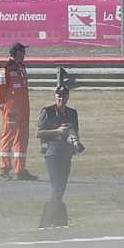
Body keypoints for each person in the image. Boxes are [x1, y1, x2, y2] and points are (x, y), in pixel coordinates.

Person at [35, 78, 83, 228]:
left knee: (61, 187)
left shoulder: (72, 113)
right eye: (59, 96)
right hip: (53, 153)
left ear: (68, 97)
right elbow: (38, 132)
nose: (61, 99)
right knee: (57, 187)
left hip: (66, 154)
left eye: (64, 96)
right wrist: (57, 131)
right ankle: (46, 221)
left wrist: (75, 141)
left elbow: (75, 131)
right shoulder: (48, 111)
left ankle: (60, 220)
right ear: (55, 97)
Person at [0, 42, 32, 179]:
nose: (24, 55)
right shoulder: (5, 69)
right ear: (16, 53)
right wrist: (2, 104)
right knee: (8, 137)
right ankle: (4, 169)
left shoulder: (22, 68)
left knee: (22, 138)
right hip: (11, 109)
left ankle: (20, 170)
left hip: (23, 108)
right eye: (22, 52)